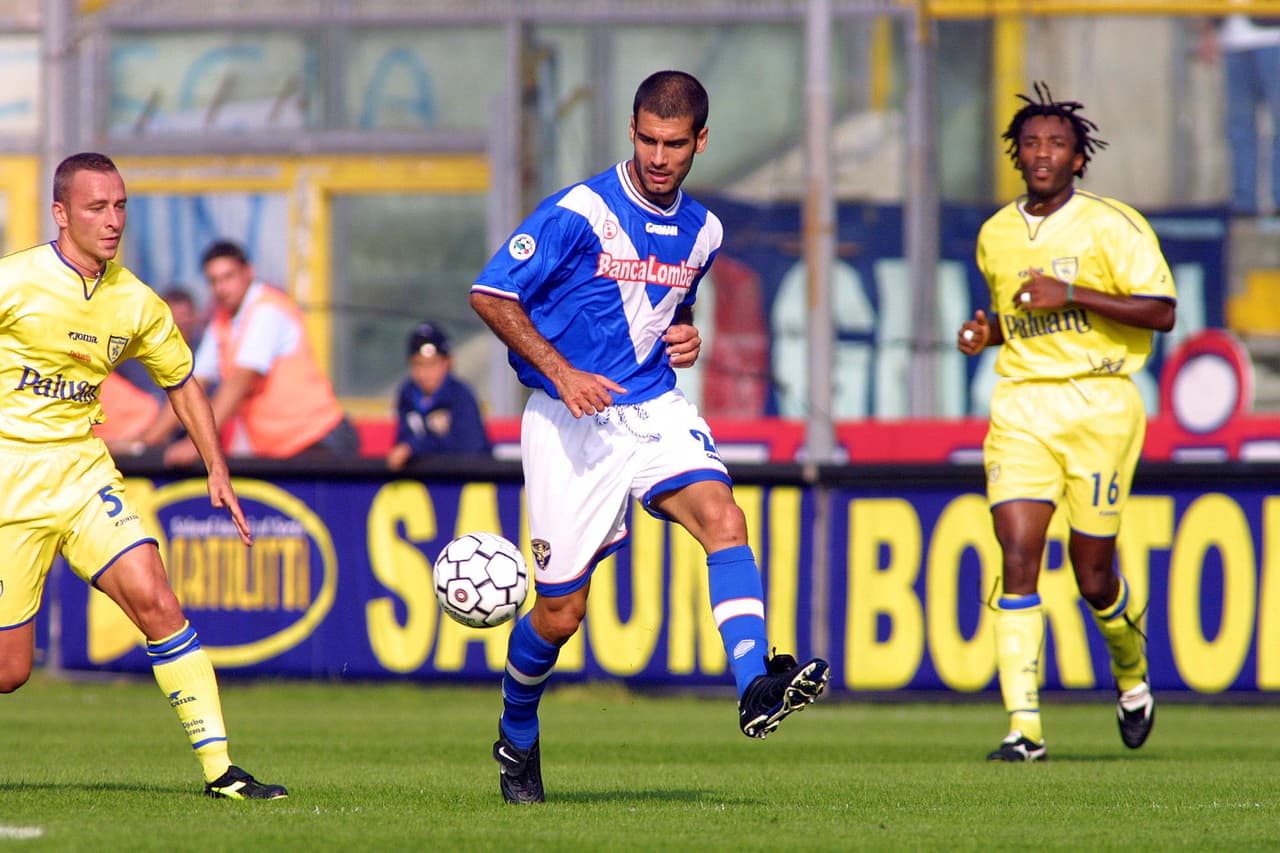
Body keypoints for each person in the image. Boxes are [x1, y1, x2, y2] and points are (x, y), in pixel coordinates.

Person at [471, 70, 829, 805]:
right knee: (561, 612)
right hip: (571, 419)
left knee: (724, 516)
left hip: (655, 407)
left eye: (675, 144)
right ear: (631, 132)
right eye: (647, 140)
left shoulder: (706, 230)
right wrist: (560, 370)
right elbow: (490, 292)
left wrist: (685, 333)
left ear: (701, 141)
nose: (659, 157)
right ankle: (517, 732)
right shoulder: (578, 211)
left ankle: (755, 681)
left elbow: (669, 303)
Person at [0, 152, 286, 799]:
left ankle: (221, 771)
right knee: (11, 670)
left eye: (121, 205)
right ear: (61, 212)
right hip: (10, 479)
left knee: (157, 599)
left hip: (81, 471)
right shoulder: (14, 281)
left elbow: (182, 382)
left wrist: (217, 466)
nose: (113, 219)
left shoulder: (135, 302)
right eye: (97, 207)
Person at [957, 83, 1177, 762]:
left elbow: (1162, 311)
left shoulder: (1115, 225)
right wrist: (985, 331)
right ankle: (1025, 730)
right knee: (1017, 556)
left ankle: (1132, 675)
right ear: (1016, 155)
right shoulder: (995, 234)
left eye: (1057, 143)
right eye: (1031, 143)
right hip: (1023, 404)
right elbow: (1021, 319)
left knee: (1092, 577)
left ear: (1080, 158)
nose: (1043, 153)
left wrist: (1073, 290)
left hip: (1099, 404)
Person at [144, 240, 358, 464]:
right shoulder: (222, 321)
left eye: (228, 277)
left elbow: (240, 379)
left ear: (249, 272)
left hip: (318, 438)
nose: (221, 288)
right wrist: (145, 444)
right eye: (213, 281)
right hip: (279, 448)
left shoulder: (267, 310)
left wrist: (198, 443)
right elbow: (190, 384)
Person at [1197, 14, 1280, 216]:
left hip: (1272, 37)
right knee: (1238, 127)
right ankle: (1244, 204)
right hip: (1232, 39)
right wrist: (1208, 31)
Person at [386, 320, 490, 470]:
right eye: (418, 364)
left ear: (447, 362)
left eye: (432, 364)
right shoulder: (407, 395)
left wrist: (416, 447)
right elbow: (402, 439)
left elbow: (470, 448)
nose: (425, 373)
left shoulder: (460, 396)